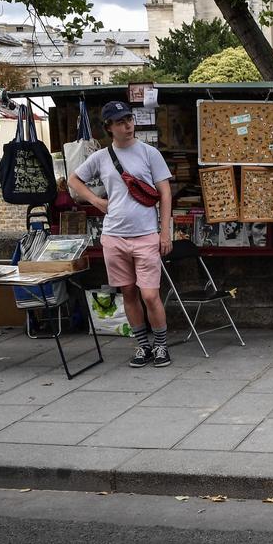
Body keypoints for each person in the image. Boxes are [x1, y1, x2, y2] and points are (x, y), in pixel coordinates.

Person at [68, 101, 173, 368]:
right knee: (127, 291)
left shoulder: (149, 153)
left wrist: (165, 232)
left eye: (129, 119)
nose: (127, 125)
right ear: (109, 127)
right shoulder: (101, 157)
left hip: (146, 234)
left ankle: (161, 345)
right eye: (120, 122)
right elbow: (73, 179)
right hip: (114, 235)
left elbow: (165, 193)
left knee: (149, 294)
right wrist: (96, 201)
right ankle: (143, 346)